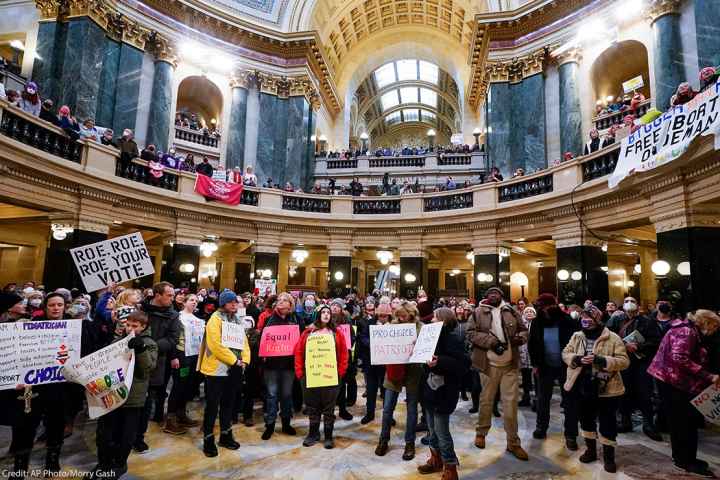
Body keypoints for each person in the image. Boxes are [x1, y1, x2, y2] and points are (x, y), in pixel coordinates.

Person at [648, 309, 720, 477]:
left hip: (672, 381)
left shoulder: (687, 329)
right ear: (706, 323)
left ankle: (682, 458)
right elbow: (679, 357)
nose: (715, 330)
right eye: (715, 326)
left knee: (681, 421)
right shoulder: (686, 331)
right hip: (672, 382)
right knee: (684, 422)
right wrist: (708, 376)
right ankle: (686, 461)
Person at [563, 305, 629, 473]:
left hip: (607, 388)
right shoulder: (577, 336)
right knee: (586, 419)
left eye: (589, 318)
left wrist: (601, 360)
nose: (586, 322)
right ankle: (591, 450)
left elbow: (624, 361)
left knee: (607, 422)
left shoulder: (612, 337)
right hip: (582, 386)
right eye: (583, 319)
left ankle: (609, 457)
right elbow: (566, 353)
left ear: (597, 319)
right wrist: (577, 359)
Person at [466, 286, 528, 460]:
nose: (493, 295)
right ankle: (481, 433)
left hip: (510, 365)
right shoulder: (478, 312)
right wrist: (491, 342)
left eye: (497, 293)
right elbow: (470, 334)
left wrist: (520, 338)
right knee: (486, 401)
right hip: (488, 364)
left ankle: (513, 443)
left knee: (510, 405)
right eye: (490, 293)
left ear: (501, 296)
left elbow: (524, 330)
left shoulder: (511, 311)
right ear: (486, 296)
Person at [94, 311, 157, 478]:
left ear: (143, 327)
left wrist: (141, 349)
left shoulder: (149, 343)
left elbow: (148, 368)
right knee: (106, 431)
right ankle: (103, 462)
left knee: (126, 433)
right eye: (128, 325)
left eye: (135, 326)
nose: (130, 328)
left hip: (132, 396)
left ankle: (119, 463)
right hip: (112, 392)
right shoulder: (118, 340)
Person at [11, 293, 69, 476]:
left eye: (60, 304)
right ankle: (20, 466)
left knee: (56, 425)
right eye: (52, 304)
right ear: (45, 307)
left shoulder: (75, 327)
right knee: (25, 427)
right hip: (31, 388)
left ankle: (52, 461)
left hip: (59, 387)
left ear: (65, 307)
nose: (56, 308)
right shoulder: (29, 325)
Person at [198, 291, 250, 456]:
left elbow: (244, 342)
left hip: (234, 369)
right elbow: (215, 345)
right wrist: (235, 361)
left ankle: (226, 435)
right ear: (223, 304)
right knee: (212, 406)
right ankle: (208, 439)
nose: (234, 304)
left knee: (228, 404)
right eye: (231, 302)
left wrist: (245, 361)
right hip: (217, 370)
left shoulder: (237, 320)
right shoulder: (215, 319)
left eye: (236, 302)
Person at [417, 307, 467, 480]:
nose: (431, 320)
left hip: (444, 392)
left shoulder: (453, 339)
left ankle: (450, 467)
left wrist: (440, 361)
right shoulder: (428, 337)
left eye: (435, 318)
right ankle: (435, 459)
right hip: (429, 390)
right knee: (431, 430)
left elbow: (463, 364)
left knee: (442, 432)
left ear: (443, 320)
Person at [528, 293, 580, 449]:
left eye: (544, 306)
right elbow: (533, 344)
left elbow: (577, 342)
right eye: (540, 307)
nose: (542, 309)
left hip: (566, 366)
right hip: (545, 366)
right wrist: (536, 364)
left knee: (570, 401)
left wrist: (574, 362)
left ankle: (571, 434)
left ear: (552, 305)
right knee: (543, 399)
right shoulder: (537, 322)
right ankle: (541, 428)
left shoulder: (567, 320)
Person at [606, 296, 662, 440]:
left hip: (642, 362)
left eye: (632, 301)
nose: (629, 303)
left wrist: (639, 346)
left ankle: (648, 424)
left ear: (638, 305)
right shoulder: (616, 320)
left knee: (645, 394)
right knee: (624, 393)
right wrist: (624, 346)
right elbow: (607, 337)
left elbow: (656, 341)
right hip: (623, 362)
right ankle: (625, 421)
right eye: (625, 301)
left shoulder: (648, 321)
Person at [134, 282, 181, 453]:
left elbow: (173, 338)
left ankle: (139, 437)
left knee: (147, 401)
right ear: (157, 295)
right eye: (169, 295)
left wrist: (148, 345)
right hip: (131, 359)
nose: (172, 298)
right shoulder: (140, 310)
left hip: (155, 362)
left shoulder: (173, 315)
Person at [294, 305, 349, 448]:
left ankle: (328, 436)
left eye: (328, 312)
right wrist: (300, 373)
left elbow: (344, 353)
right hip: (310, 375)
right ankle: (313, 433)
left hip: (331, 376)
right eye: (323, 312)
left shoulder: (336, 333)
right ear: (317, 315)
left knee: (329, 408)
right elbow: (299, 352)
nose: (326, 315)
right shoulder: (308, 332)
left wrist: (341, 371)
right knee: (312, 406)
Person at [375, 301, 423, 461]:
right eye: (399, 315)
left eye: (404, 315)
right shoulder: (391, 327)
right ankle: (383, 439)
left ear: (412, 313)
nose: (401, 318)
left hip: (413, 371)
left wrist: (419, 345)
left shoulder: (420, 328)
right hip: (394, 371)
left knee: (412, 409)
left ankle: (410, 443)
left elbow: (427, 348)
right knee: (387, 408)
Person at [259, 292, 300, 440]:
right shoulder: (269, 320)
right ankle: (269, 425)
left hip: (288, 365)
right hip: (271, 365)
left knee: (287, 395)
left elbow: (300, 341)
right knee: (271, 395)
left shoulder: (295, 320)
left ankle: (286, 423)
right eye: (279, 300)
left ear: (290, 304)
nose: (281, 302)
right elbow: (263, 340)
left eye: (285, 300)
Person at [164, 294, 203, 435]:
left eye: (196, 301)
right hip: (182, 356)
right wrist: (174, 356)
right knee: (179, 384)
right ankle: (170, 419)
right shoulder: (178, 317)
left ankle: (181, 414)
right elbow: (173, 338)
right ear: (185, 302)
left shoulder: (198, 320)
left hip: (194, 356)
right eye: (192, 300)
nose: (194, 302)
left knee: (188, 385)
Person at [358, 302, 390, 424]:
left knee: (387, 392)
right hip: (371, 363)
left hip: (387, 365)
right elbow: (363, 337)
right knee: (371, 391)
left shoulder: (393, 325)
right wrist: (372, 343)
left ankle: (388, 416)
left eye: (385, 316)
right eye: (380, 315)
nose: (382, 318)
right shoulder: (370, 323)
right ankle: (369, 413)